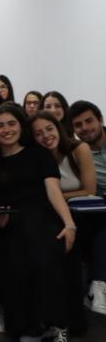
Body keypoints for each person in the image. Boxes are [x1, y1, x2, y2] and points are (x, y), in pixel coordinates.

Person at [0, 105, 79, 342]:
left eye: (11, 123)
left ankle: (60, 329)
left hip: (41, 217)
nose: (6, 130)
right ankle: (36, 323)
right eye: (0, 125)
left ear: (21, 126)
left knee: (44, 259)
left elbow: (53, 191)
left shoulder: (38, 155)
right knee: (13, 264)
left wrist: (69, 224)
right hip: (8, 222)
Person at [68, 100, 106, 315]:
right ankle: (97, 285)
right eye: (78, 125)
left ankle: (96, 284)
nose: (85, 128)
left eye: (89, 121)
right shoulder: (77, 154)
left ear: (100, 119)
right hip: (95, 208)